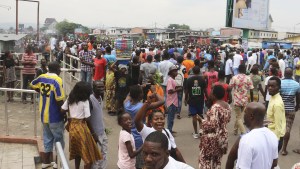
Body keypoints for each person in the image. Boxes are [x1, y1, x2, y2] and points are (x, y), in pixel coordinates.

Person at [30, 61, 65, 169]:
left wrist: (40, 90)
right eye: (59, 68)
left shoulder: (41, 77)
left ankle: (46, 162)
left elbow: (32, 84)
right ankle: (57, 162)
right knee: (58, 140)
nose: (60, 70)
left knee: (47, 138)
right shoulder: (57, 80)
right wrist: (64, 113)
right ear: (57, 69)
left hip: (43, 115)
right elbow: (59, 100)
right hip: (55, 116)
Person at [61, 81, 102, 169]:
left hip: (72, 128)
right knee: (88, 155)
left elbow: (62, 110)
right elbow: (87, 118)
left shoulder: (70, 98)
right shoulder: (85, 101)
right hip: (81, 128)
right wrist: (94, 134)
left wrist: (71, 114)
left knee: (77, 152)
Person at [235, 102, 278, 169]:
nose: (244, 115)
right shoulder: (273, 136)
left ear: (251, 116)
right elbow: (274, 163)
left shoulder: (247, 140)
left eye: (245, 113)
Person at [198, 85, 231, 169]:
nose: (210, 94)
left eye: (211, 93)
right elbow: (227, 120)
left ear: (214, 95)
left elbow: (213, 125)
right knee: (217, 161)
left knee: (204, 160)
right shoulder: (227, 106)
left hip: (212, 138)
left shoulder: (215, 107)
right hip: (223, 136)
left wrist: (201, 121)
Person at [123, 85, 146, 169]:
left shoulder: (126, 105)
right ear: (140, 95)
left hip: (130, 136)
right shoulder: (141, 106)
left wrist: (133, 90)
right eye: (142, 92)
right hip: (139, 137)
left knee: (131, 161)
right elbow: (161, 101)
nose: (143, 94)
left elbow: (128, 97)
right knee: (140, 163)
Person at [279, 68, 300, 155]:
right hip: (291, 109)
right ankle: (284, 149)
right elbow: (298, 97)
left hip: (280, 108)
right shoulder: (296, 84)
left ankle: (277, 148)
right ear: (292, 74)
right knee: (288, 129)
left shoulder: (280, 83)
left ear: (284, 73)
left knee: (279, 127)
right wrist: (297, 106)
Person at [229, 64, 254, 135]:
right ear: (245, 70)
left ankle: (243, 132)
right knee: (239, 116)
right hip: (244, 100)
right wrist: (251, 100)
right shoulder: (248, 78)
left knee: (238, 117)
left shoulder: (234, 78)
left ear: (238, 70)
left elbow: (230, 88)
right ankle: (235, 130)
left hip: (236, 100)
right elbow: (251, 89)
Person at [89, 81, 108, 169]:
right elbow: (87, 119)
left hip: (102, 131)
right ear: (93, 88)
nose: (101, 89)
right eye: (98, 87)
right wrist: (93, 134)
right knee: (95, 154)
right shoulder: (90, 100)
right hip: (94, 133)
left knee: (104, 152)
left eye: (102, 87)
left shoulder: (100, 97)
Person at [185, 66, 207, 139]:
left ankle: (196, 132)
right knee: (200, 115)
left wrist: (185, 99)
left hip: (192, 100)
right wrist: (208, 98)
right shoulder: (203, 80)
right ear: (199, 71)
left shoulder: (189, 80)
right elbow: (205, 90)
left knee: (194, 116)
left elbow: (187, 91)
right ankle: (201, 130)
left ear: (193, 72)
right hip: (200, 100)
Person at [267, 76, 286, 152]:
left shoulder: (277, 104)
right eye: (269, 86)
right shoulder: (273, 97)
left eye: (273, 86)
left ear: (279, 87)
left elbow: (278, 125)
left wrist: (276, 142)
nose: (270, 88)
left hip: (275, 138)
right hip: (271, 134)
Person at [166, 65, 181, 133]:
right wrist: (177, 90)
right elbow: (170, 91)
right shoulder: (170, 80)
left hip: (174, 101)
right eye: (175, 71)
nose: (176, 72)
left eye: (176, 71)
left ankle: (170, 130)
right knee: (170, 118)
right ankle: (169, 131)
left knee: (172, 118)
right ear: (171, 72)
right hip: (171, 101)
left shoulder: (172, 80)